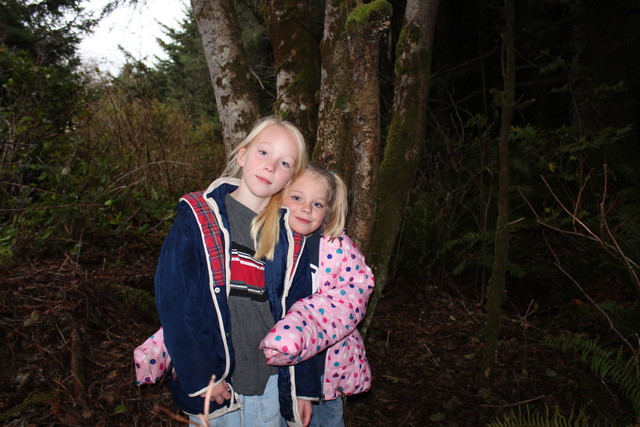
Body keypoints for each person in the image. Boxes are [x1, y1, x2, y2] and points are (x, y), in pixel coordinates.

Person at [154, 116, 320, 427]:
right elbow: (176, 302)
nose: (271, 166)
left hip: (270, 384)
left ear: (290, 179)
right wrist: (202, 375)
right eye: (264, 153)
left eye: (284, 163)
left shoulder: (292, 238)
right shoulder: (198, 217)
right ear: (242, 155)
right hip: (216, 385)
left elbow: (306, 315)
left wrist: (304, 388)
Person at [259, 162, 375, 427]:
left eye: (318, 204)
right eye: (297, 198)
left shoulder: (336, 246)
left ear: (329, 210)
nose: (306, 209)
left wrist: (304, 322)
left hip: (326, 370)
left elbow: (354, 293)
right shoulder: (266, 237)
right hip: (275, 369)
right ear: (280, 195)